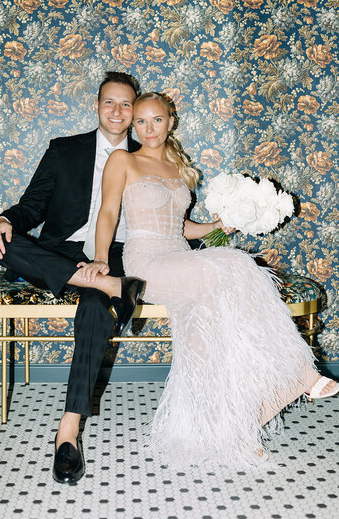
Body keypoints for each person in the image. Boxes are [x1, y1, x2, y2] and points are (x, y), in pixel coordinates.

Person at [79, 91, 339, 468]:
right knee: (239, 266)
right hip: (147, 261)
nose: (148, 128)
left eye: (156, 120)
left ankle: (233, 427)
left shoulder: (175, 165)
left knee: (208, 330)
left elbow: (179, 226)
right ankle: (298, 374)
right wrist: (102, 259)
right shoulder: (123, 160)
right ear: (133, 125)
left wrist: (216, 225)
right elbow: (107, 213)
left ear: (171, 121)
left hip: (180, 258)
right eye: (141, 121)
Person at [0, 72, 145, 484]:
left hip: (117, 254)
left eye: (126, 104)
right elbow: (32, 206)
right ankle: (108, 287)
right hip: (62, 251)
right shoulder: (64, 150)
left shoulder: (148, 153)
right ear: (97, 105)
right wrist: (4, 219)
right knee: (10, 244)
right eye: (110, 102)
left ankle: (68, 432)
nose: (117, 111)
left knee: (95, 308)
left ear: (134, 110)